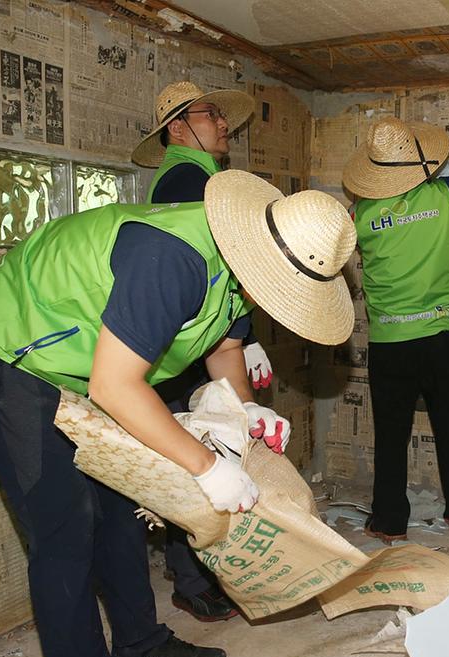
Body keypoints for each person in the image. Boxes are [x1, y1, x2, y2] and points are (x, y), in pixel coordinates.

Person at [0, 170, 356, 657]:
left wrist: (246, 411)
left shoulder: (244, 263)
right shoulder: (175, 261)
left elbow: (226, 347)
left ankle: (141, 649)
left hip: (91, 364)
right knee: (65, 527)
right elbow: (115, 387)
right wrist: (208, 466)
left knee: (120, 512)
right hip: (15, 348)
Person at [132, 80, 270, 622]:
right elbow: (210, 270)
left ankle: (195, 571)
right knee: (202, 457)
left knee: (212, 446)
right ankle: (192, 580)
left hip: (198, 342)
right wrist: (246, 337)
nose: (223, 125)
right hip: (185, 349)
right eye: (211, 115)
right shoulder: (188, 179)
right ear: (178, 128)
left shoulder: (201, 176)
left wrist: (244, 337)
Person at [342, 116, 449, 541]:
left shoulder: (361, 213)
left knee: (391, 436)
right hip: (443, 337)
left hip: (390, 343)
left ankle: (389, 522)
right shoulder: (445, 194)